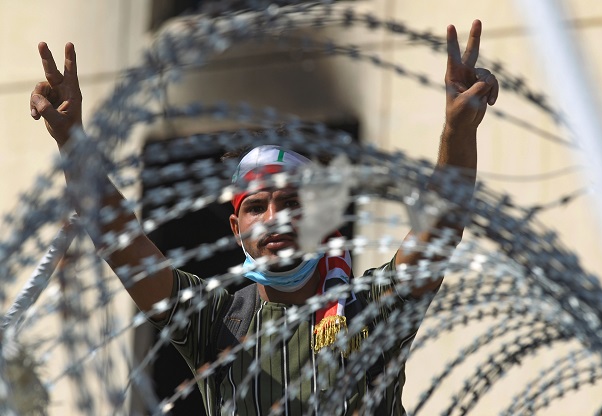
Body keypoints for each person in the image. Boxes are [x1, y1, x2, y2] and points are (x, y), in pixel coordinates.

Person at [30, 19, 498, 416]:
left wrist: (458, 132)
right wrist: (73, 143)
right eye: (257, 207)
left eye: (292, 204)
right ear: (237, 230)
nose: (274, 219)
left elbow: (440, 228)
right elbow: (127, 248)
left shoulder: (370, 308)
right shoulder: (215, 323)